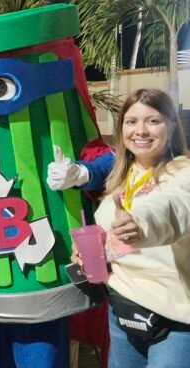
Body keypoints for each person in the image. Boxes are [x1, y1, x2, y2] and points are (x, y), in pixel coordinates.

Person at [73, 88, 190, 367]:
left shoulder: (183, 173)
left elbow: (174, 206)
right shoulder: (121, 176)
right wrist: (90, 250)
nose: (141, 131)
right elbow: (113, 235)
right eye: (131, 121)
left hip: (174, 319)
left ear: (172, 126)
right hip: (123, 310)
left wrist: (140, 222)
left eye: (153, 121)